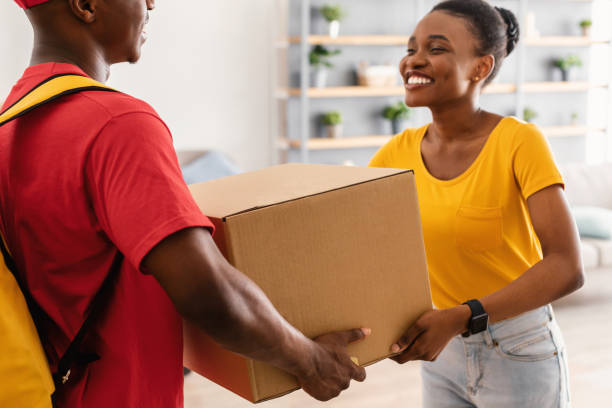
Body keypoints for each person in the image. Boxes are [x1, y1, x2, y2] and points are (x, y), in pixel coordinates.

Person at [0, 0, 369, 406]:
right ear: (86, 5)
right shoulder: (118, 123)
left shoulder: (8, 126)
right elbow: (206, 291)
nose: (151, 3)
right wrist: (311, 361)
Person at [370, 1, 584, 407]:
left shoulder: (519, 142)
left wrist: (464, 316)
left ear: (480, 68)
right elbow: (353, 241)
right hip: (442, 348)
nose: (414, 60)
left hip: (518, 346)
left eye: (436, 49)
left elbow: (567, 267)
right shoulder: (394, 154)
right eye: (411, 48)